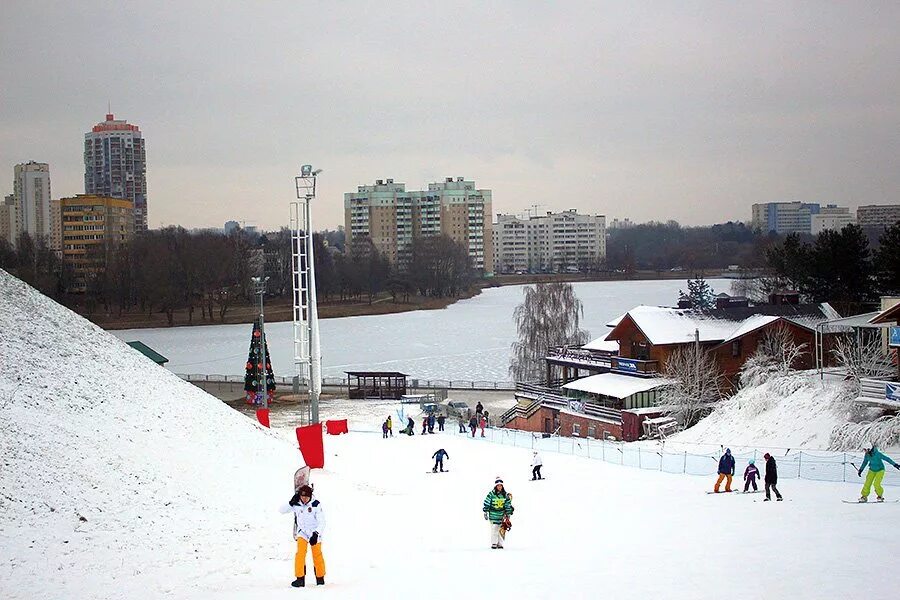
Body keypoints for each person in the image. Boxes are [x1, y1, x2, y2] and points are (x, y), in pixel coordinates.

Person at [279, 484, 326, 588]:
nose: (304, 499)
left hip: (314, 533)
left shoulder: (316, 505)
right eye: (302, 496)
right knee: (300, 554)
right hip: (302, 533)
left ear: (310, 496)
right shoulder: (297, 504)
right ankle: (300, 579)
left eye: (306, 497)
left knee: (317, 555)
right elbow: (281, 510)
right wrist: (290, 503)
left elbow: (322, 522)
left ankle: (320, 578)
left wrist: (316, 533)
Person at [483, 477, 514, 549]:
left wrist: (508, 513)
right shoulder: (491, 494)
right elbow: (487, 502)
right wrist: (485, 511)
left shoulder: (505, 495)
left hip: (501, 515)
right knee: (494, 529)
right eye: (498, 485)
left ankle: (500, 543)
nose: (499, 487)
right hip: (493, 515)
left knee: (501, 529)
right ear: (495, 486)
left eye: (501, 485)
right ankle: (494, 543)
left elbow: (507, 504)